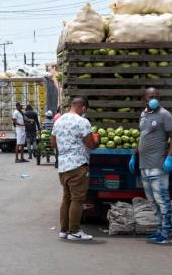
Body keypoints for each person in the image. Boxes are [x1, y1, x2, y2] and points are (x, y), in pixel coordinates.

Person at [129, 87, 172, 245]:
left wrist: (169, 157)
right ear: (144, 99)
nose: (153, 99)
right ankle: (159, 229)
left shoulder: (164, 114)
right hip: (144, 164)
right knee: (152, 200)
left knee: (162, 199)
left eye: (156, 96)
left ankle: (167, 232)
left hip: (158, 164)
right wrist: (134, 155)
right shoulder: (143, 115)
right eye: (150, 97)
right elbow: (143, 137)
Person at [50, 96, 98, 241]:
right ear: (83, 108)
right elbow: (90, 145)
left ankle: (64, 230)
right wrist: (97, 141)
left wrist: (67, 148)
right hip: (78, 165)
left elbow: (53, 143)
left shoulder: (58, 121)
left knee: (67, 198)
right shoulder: (83, 122)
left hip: (63, 166)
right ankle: (74, 231)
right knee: (78, 199)